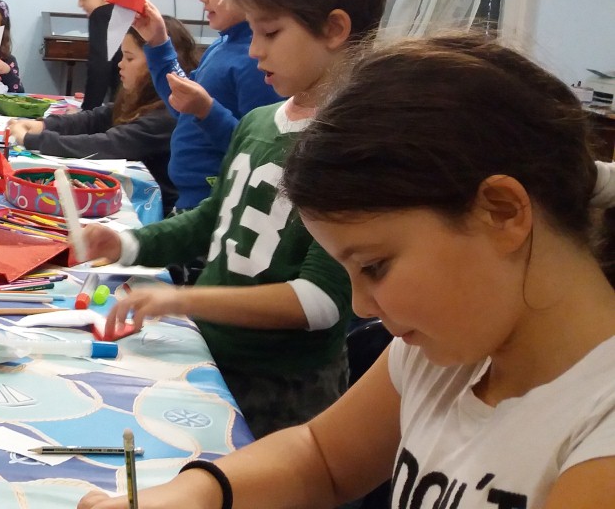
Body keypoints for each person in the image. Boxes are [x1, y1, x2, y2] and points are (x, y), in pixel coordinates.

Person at [80, 34, 615, 509]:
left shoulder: (596, 424)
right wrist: (194, 494)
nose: (360, 306)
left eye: (375, 266)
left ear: (501, 211)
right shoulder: (451, 347)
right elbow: (319, 457)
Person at [82, 0, 390, 438]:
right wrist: (128, 244)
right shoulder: (259, 122)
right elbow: (213, 219)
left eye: (270, 33)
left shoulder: (353, 147)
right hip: (214, 355)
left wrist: (182, 299)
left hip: (284, 389)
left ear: (335, 29)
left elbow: (318, 302)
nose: (253, 50)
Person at [132, 0, 284, 214]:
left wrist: (206, 110)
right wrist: (158, 41)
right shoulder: (222, 45)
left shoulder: (256, 60)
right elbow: (183, 107)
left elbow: (256, 150)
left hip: (218, 207)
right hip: (190, 202)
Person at [9, 28, 177, 211]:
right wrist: (44, 125)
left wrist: (31, 139)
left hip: (158, 211)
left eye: (129, 58)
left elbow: (106, 144)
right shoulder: (140, 98)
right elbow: (94, 119)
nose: (120, 64)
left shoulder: (165, 115)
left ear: (160, 62)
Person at [66, 0, 124, 109]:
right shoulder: (130, 12)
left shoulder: (102, 14)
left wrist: (86, 115)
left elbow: (99, 70)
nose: (80, 3)